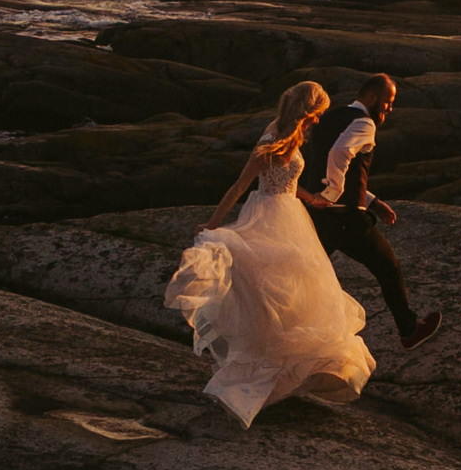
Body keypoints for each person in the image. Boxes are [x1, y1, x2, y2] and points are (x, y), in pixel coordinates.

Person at [165, 80, 376, 427]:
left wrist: (311, 199)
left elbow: (289, 184)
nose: (320, 121)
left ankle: (289, 374)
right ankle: (263, 375)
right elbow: (240, 185)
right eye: (318, 114)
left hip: (291, 215)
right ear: (308, 111)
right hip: (267, 217)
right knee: (267, 293)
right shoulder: (270, 140)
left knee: (297, 293)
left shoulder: (291, 135)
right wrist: (214, 223)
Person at [297, 73, 442, 350]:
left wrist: (373, 201)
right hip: (345, 218)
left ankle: (278, 325)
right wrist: (331, 194)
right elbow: (340, 155)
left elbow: (330, 164)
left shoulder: (330, 117)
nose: (390, 108)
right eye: (388, 101)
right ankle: (409, 329)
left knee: (304, 274)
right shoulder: (364, 123)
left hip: (319, 213)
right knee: (388, 267)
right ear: (373, 97)